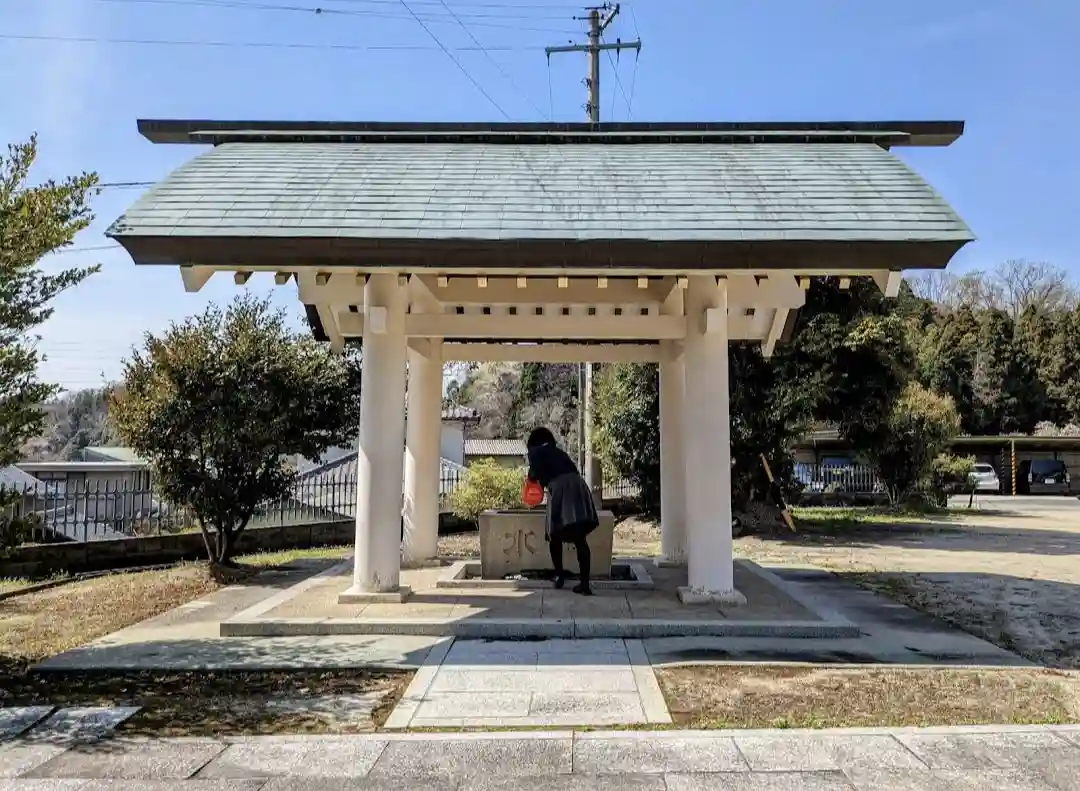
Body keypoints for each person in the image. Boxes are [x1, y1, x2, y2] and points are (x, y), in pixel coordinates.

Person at [525, 427, 599, 595]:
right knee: (580, 538)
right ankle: (585, 584)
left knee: (554, 534)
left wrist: (532, 481)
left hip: (560, 488)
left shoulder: (535, 453)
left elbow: (532, 479)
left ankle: (559, 575)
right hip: (579, 485)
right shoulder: (559, 453)